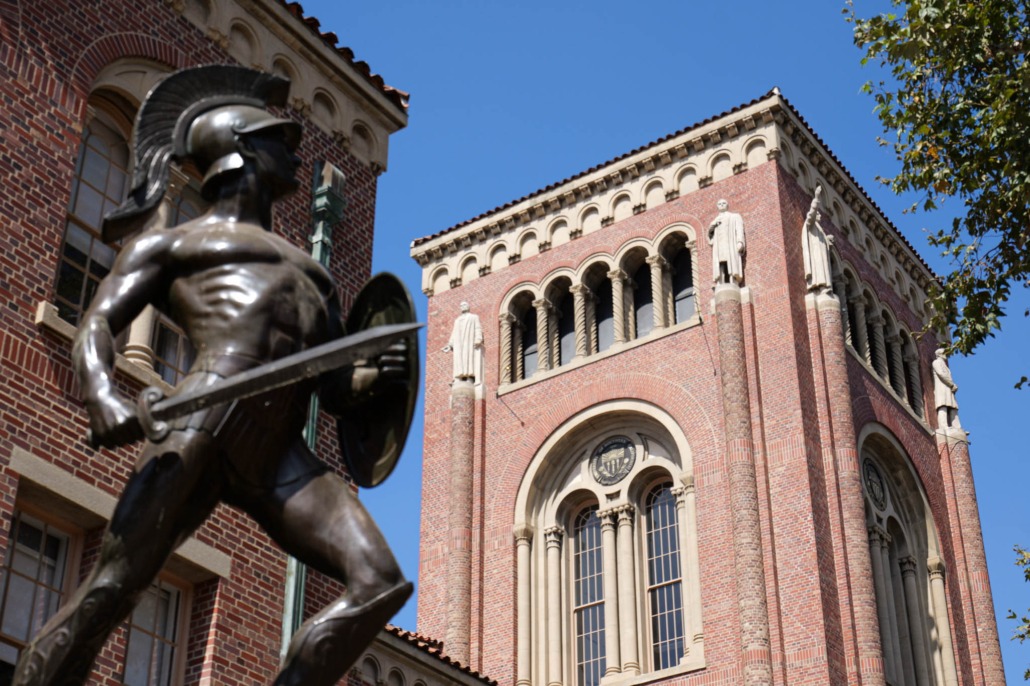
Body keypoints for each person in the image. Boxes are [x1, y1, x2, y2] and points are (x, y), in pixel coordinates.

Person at [15, 66, 412, 686]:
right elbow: (96, 327)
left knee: (379, 581)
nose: (293, 151)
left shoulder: (315, 276)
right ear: (240, 152)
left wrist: (373, 379)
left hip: (280, 451)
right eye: (278, 139)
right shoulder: (173, 247)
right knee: (111, 589)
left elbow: (330, 386)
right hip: (203, 418)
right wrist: (101, 396)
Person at [803, 184, 835, 294]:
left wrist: (827, 240)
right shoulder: (810, 223)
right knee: (820, 270)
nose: (820, 216)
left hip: (821, 255)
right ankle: (821, 287)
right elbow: (811, 214)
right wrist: (816, 198)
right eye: (818, 214)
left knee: (824, 268)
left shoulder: (818, 228)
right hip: (816, 255)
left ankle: (824, 286)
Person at [707, 198, 746, 285]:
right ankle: (720, 281)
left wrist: (740, 242)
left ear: (727, 205)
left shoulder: (734, 216)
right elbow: (710, 235)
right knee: (720, 262)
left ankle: (733, 280)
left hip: (730, 244)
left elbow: (739, 229)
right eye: (719, 204)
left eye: (724, 203)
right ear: (717, 206)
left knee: (731, 261)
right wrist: (713, 224)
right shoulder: (715, 220)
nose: (722, 205)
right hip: (719, 245)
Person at [442, 301, 483, 381]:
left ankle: (469, 377)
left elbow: (478, 328)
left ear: (468, 307)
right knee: (459, 359)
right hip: (458, 343)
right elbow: (454, 333)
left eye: (464, 305)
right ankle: (459, 376)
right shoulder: (457, 320)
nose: (463, 306)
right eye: (461, 305)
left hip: (468, 340)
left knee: (468, 357)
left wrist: (478, 338)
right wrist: (449, 345)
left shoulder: (473, 317)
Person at [933, 348, 961, 430]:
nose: (946, 355)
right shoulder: (936, 362)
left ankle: (957, 427)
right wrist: (952, 384)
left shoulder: (945, 365)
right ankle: (943, 426)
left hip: (948, 388)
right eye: (944, 353)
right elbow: (941, 374)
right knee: (943, 405)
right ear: (939, 354)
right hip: (942, 388)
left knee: (953, 407)